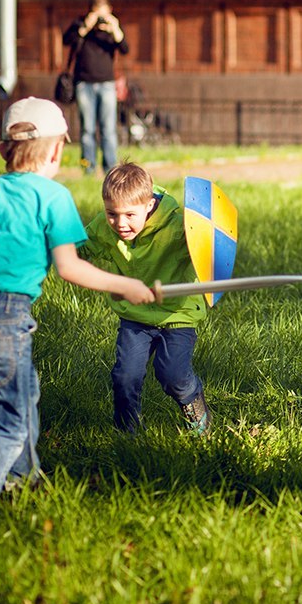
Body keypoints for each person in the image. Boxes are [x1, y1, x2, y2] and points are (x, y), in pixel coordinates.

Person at [0, 98, 155, 498]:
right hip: (6, 315)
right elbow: (69, 268)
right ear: (57, 150)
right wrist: (124, 285)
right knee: (7, 422)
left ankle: (27, 479)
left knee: (25, 392)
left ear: (4, 150)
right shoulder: (53, 197)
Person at [79, 163, 212, 436]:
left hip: (177, 314)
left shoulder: (177, 227)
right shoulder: (106, 229)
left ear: (149, 205)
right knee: (125, 377)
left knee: (172, 375)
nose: (120, 223)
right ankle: (127, 431)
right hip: (135, 316)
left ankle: (194, 403)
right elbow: (81, 249)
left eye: (130, 214)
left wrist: (200, 240)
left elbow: (206, 247)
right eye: (112, 214)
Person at [63, 0, 129, 175]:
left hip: (107, 84)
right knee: (87, 129)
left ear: (109, 11)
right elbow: (67, 40)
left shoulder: (111, 30)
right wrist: (86, 25)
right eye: (96, 12)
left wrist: (114, 27)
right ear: (90, 10)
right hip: (84, 83)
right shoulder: (81, 24)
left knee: (108, 129)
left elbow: (124, 48)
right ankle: (88, 168)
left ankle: (110, 169)